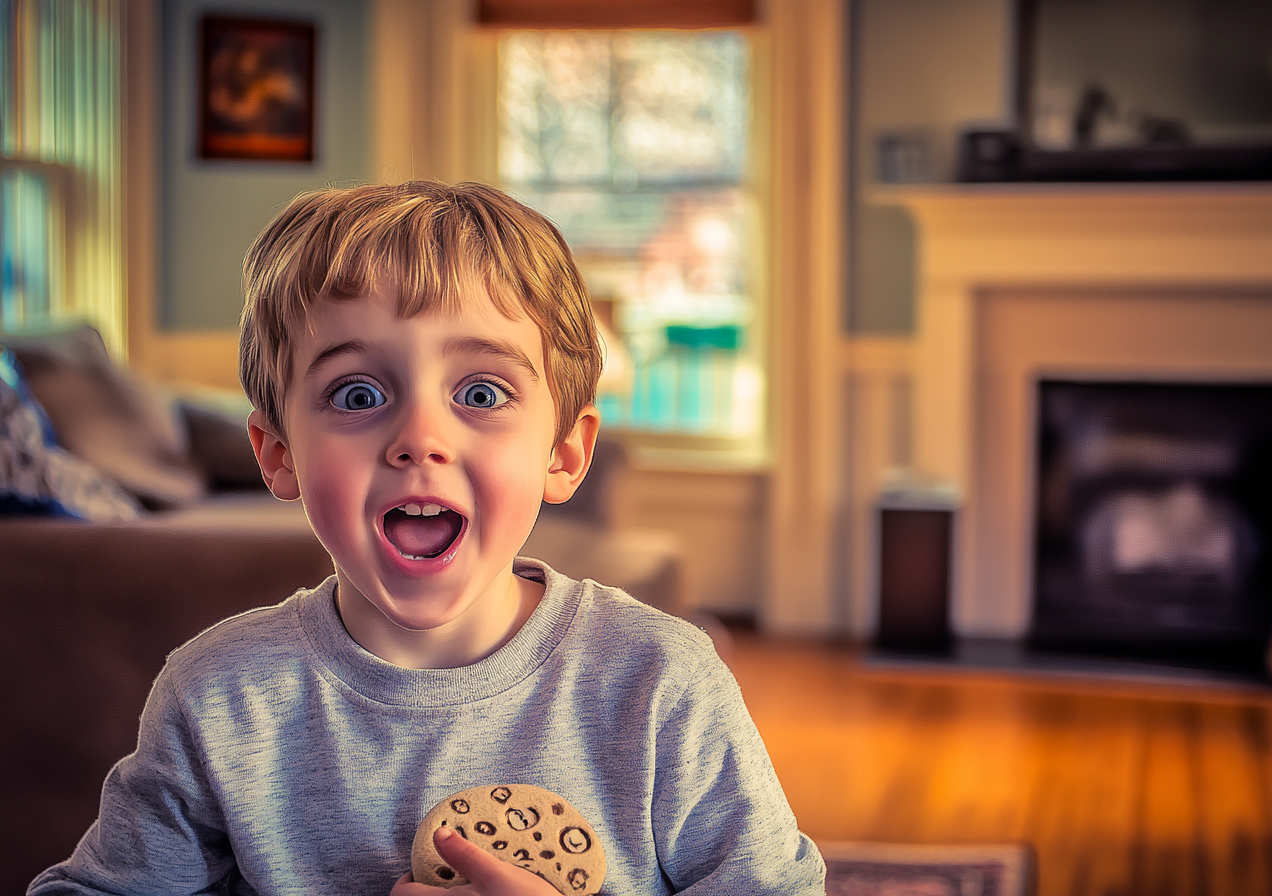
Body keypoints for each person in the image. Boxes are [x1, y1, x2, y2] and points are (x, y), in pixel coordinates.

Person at [29, 181, 827, 896]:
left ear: (564, 452)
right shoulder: (221, 699)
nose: (419, 438)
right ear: (279, 455)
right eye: (358, 392)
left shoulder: (661, 684)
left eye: (481, 391)